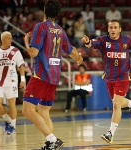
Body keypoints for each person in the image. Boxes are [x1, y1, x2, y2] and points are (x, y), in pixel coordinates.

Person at [22, 0, 83, 149]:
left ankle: (53, 139)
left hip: (40, 75)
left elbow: (33, 53)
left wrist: (26, 41)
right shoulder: (61, 30)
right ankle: (51, 144)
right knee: (43, 112)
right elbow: (72, 51)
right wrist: (80, 58)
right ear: (57, 14)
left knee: (27, 110)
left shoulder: (40, 27)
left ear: (44, 10)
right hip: (54, 77)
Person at [81, 19, 131, 144]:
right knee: (116, 102)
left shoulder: (127, 40)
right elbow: (91, 43)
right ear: (108, 29)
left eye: (115, 27)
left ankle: (110, 134)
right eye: (111, 27)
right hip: (109, 77)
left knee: (116, 105)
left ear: (120, 29)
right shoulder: (103, 40)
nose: (113, 30)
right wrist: (87, 42)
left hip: (123, 77)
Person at [0, 31, 25, 134]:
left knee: (12, 104)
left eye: (11, 38)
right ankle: (8, 120)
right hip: (0, 82)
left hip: (12, 81)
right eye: (9, 38)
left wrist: (22, 80)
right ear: (3, 39)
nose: (11, 40)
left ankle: (12, 127)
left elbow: (21, 66)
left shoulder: (15, 51)